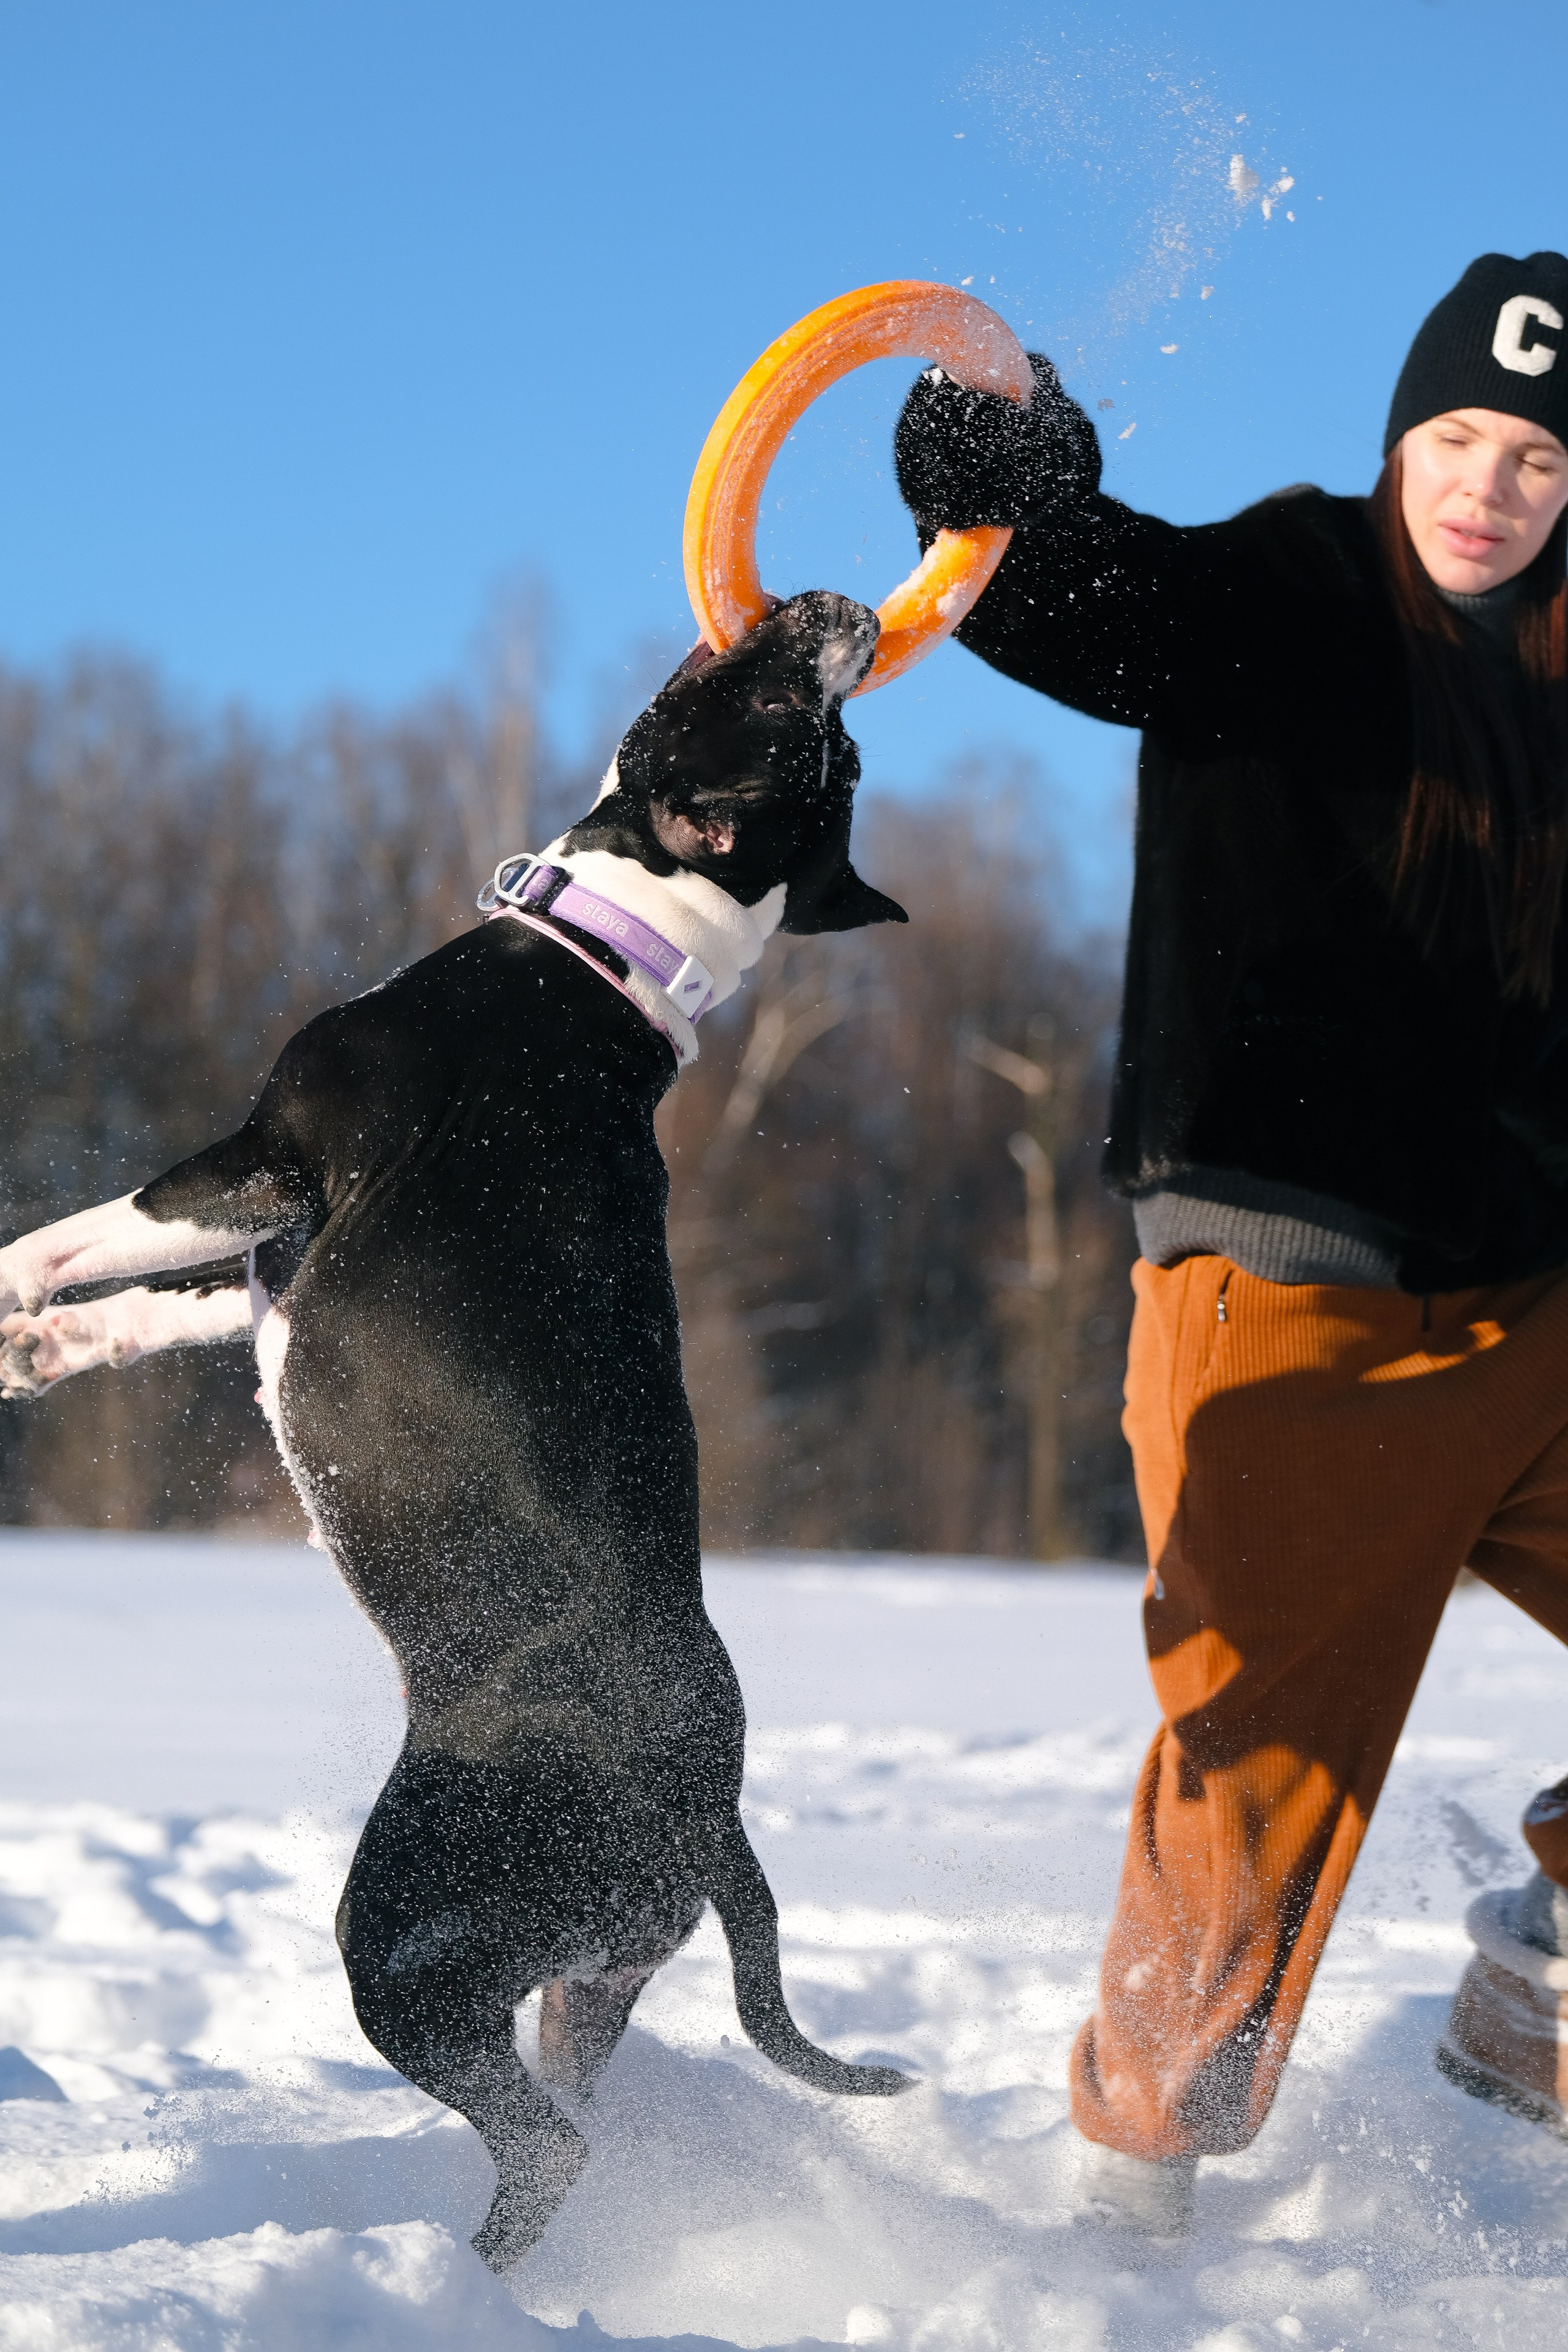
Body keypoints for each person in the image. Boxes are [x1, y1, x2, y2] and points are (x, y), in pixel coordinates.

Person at [894, 253, 1568, 2235]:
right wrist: (995, 490)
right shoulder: (1292, 587)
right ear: (1396, 442)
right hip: (1294, 1296)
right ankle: (1136, 2222)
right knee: (1251, 1779)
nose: (1491, 488)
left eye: (1540, 456)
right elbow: (1086, 607)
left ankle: (1540, 1990)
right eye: (1457, 437)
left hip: (1537, 1294)